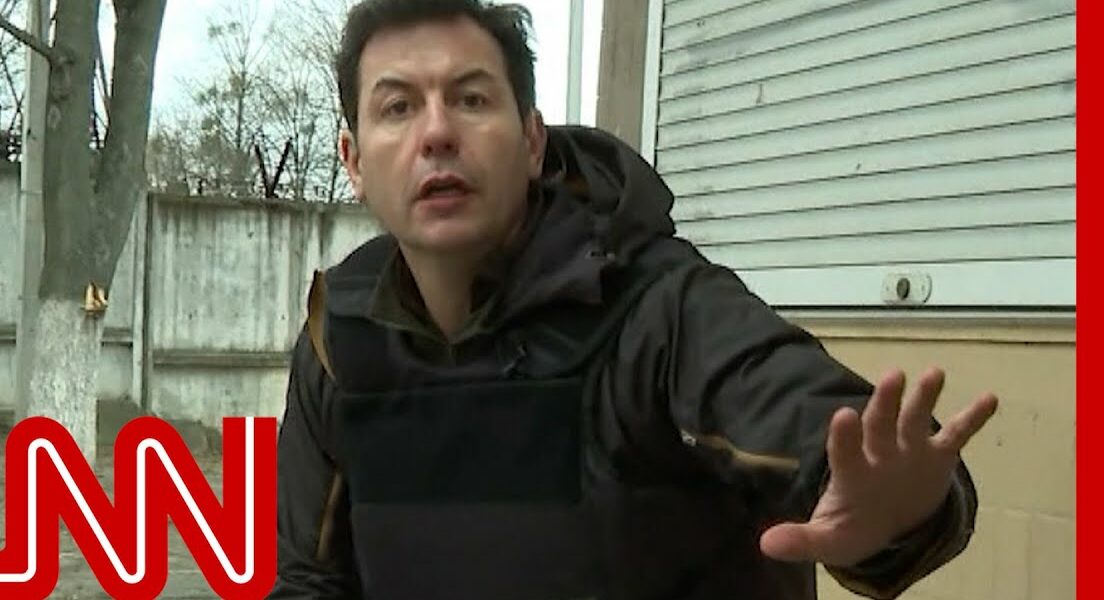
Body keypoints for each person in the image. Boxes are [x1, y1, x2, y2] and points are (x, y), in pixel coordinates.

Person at [269, 1, 999, 598]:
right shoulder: (340, 336)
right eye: (398, 107)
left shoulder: (659, 306)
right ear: (354, 161)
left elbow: (822, 432)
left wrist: (897, 511)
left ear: (531, 141)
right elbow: (310, 578)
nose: (436, 132)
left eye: (471, 98)